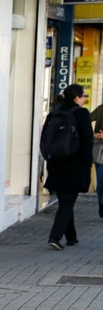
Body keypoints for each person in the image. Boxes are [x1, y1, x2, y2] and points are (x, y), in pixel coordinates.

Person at [43, 84, 93, 250]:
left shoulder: (54, 113)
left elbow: (45, 139)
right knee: (67, 201)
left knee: (65, 199)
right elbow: (87, 141)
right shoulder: (81, 114)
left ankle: (71, 237)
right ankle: (55, 236)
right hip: (75, 163)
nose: (85, 99)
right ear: (77, 97)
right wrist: (87, 163)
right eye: (84, 96)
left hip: (56, 164)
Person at [89, 102, 103, 217]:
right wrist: (92, 134)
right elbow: (86, 120)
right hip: (101, 149)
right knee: (101, 180)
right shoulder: (100, 109)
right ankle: (101, 203)